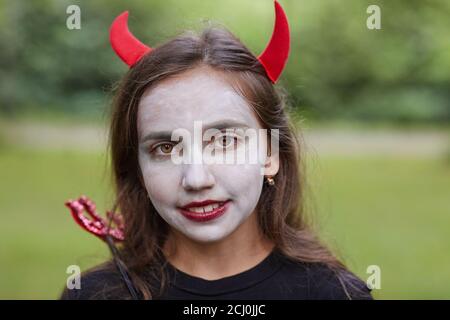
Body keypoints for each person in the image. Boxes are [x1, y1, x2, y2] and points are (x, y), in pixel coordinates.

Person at [60, 1, 372, 300]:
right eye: (166, 147)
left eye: (224, 141)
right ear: (138, 167)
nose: (196, 179)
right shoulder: (92, 294)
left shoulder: (333, 294)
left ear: (271, 154)